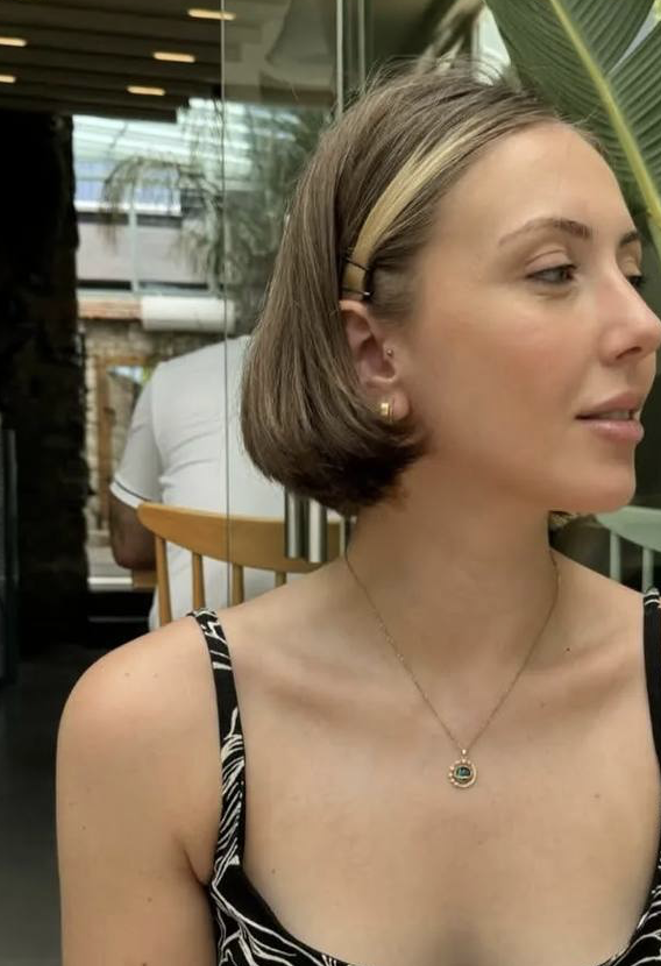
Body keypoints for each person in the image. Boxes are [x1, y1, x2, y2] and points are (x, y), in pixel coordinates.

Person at [56, 63, 661, 965]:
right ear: (374, 352)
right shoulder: (157, 728)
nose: (642, 324)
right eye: (554, 271)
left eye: (631, 271)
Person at [108, 335, 285, 625]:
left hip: (198, 639)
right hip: (332, 641)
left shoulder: (172, 378)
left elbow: (130, 547)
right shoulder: (361, 380)